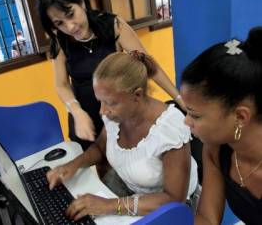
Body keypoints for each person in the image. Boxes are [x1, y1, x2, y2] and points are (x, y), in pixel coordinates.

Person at [46, 51, 198, 220]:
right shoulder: (114, 116)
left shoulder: (170, 129)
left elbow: (173, 200)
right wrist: (73, 165)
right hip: (132, 191)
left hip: (168, 207)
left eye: (110, 103)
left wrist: (108, 206)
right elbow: (100, 147)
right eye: (100, 101)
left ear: (137, 95)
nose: (102, 111)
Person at [37, 0, 184, 151]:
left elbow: (148, 65)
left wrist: (179, 98)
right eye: (59, 23)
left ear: (81, 3)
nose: (70, 26)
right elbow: (61, 84)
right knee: (95, 167)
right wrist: (76, 112)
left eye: (70, 14)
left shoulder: (112, 25)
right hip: (85, 117)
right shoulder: (60, 40)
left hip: (118, 114)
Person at [180, 27, 262, 225]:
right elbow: (207, 217)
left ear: (240, 116)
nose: (186, 121)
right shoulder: (215, 149)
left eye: (195, 115)